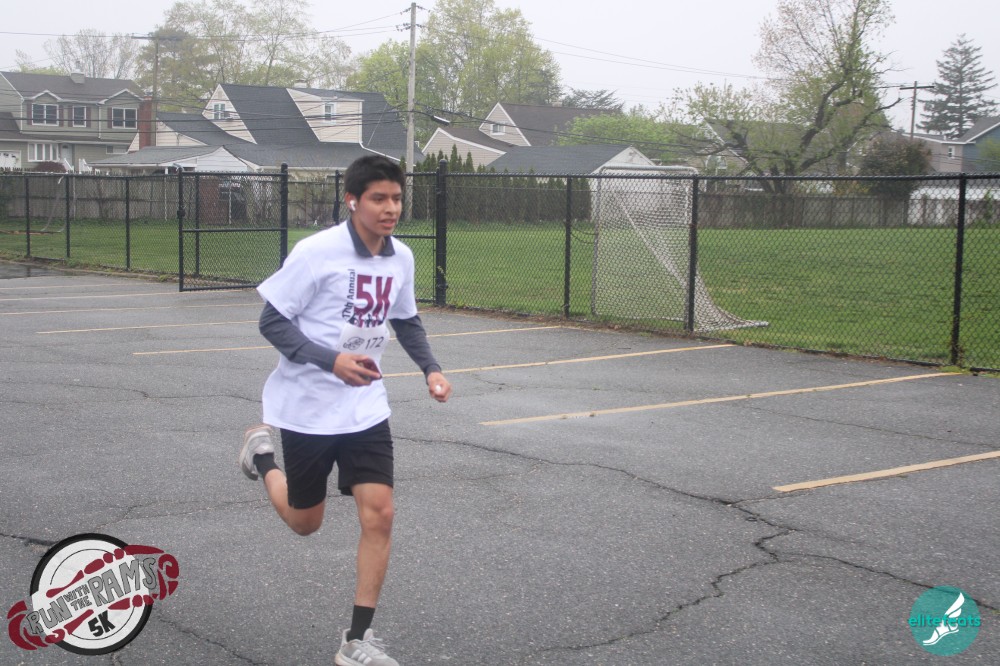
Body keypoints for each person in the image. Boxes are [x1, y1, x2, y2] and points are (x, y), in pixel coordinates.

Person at [238, 155, 451, 666]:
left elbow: (406, 320)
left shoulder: (401, 258)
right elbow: (272, 322)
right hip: (308, 409)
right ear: (352, 201)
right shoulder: (317, 252)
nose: (390, 208)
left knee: (380, 513)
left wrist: (431, 369)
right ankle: (262, 457)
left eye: (396, 198)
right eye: (379, 198)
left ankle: (357, 640)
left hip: (365, 407)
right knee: (304, 522)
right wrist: (330, 359)